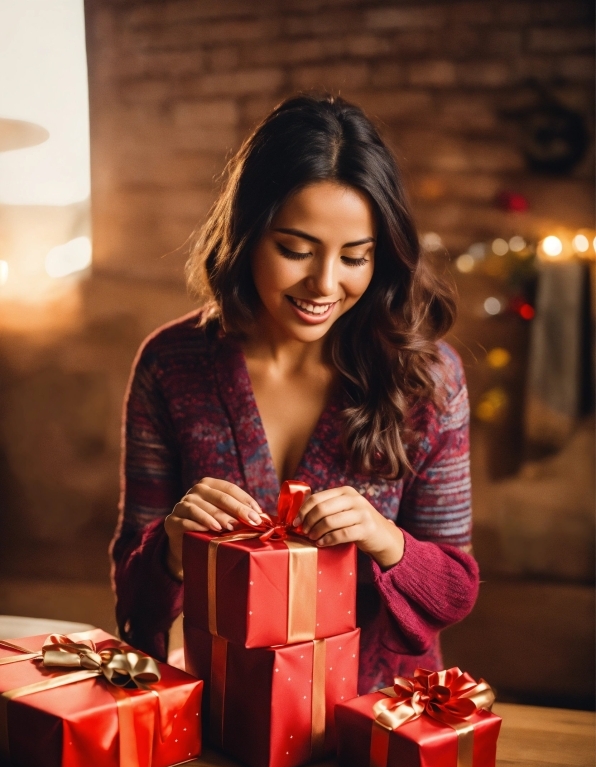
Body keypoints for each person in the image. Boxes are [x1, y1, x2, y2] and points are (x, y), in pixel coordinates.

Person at [110, 94, 479, 694]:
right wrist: (173, 547)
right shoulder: (172, 366)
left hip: (379, 715)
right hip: (225, 705)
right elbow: (133, 598)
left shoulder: (427, 379)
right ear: (247, 234)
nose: (325, 284)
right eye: (296, 251)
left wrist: (388, 541)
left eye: (355, 257)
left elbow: (455, 589)